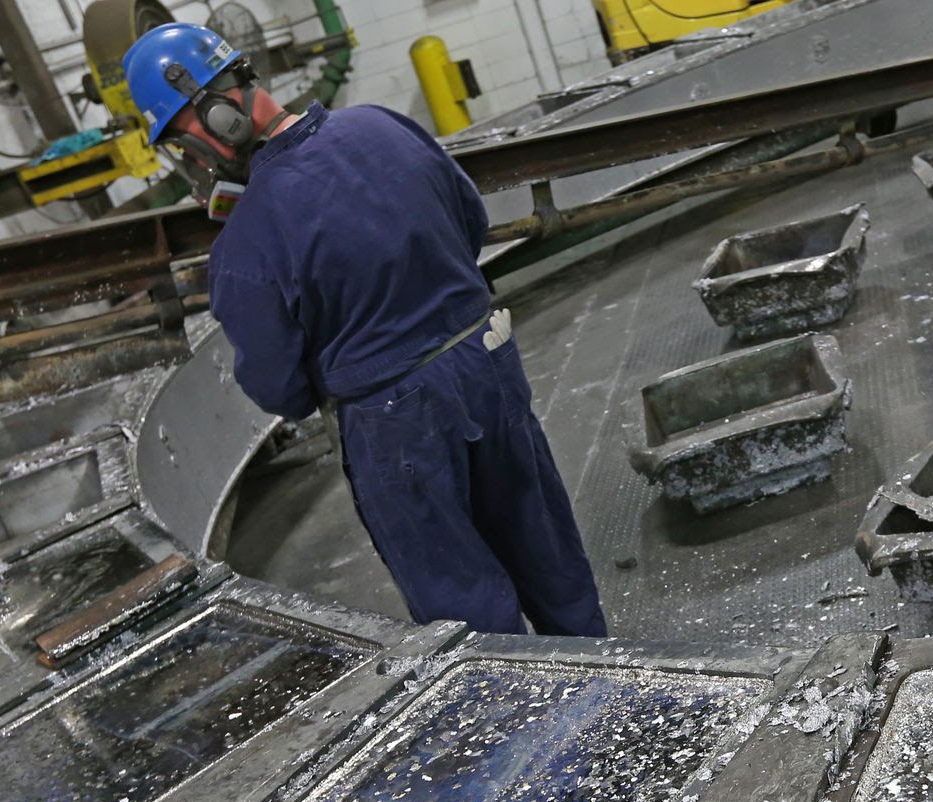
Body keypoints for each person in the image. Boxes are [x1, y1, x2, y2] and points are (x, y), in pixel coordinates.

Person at [121, 24, 607, 637]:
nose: (189, 159)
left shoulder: (245, 242)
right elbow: (470, 220)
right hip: (487, 359)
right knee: (546, 548)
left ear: (217, 118)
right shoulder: (383, 125)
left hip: (395, 419)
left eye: (182, 140)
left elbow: (278, 386)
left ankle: (522, 716)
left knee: (461, 598)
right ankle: (613, 693)